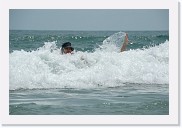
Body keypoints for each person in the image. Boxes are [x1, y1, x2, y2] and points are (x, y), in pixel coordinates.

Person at [61, 33, 128, 54]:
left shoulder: (76, 55)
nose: (69, 50)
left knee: (118, 55)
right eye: (67, 49)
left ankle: (124, 44)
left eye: (70, 49)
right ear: (63, 49)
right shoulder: (59, 58)